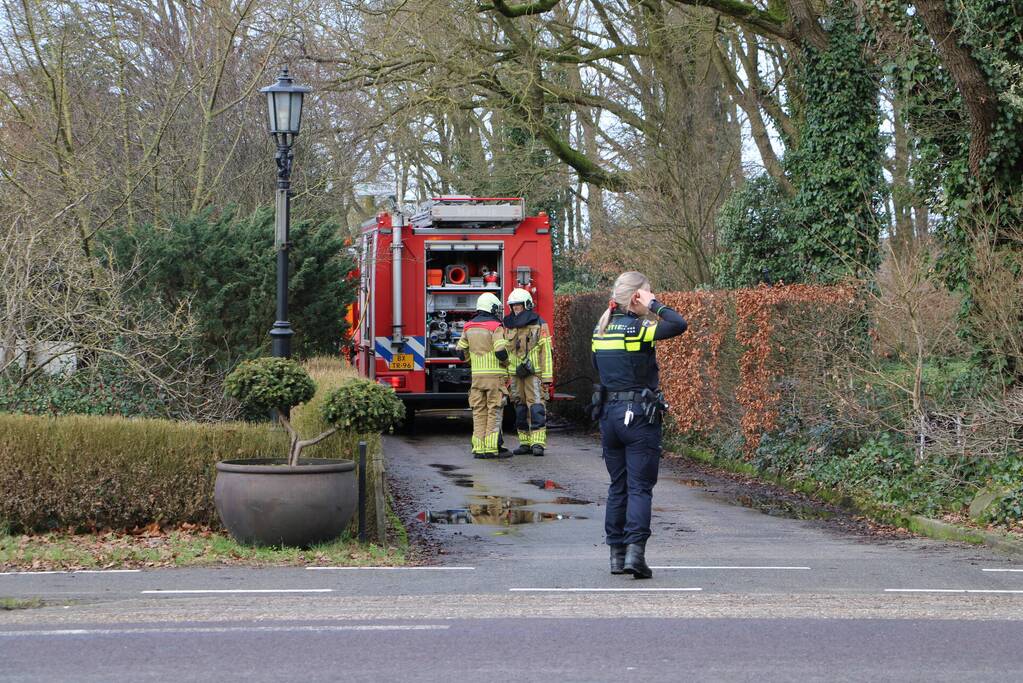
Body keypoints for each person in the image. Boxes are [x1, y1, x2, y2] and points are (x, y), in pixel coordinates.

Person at [591, 272, 687, 579]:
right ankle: (636, 554)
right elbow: (678, 324)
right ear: (636, 297)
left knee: (617, 486)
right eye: (646, 293)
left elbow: (599, 370)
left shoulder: (600, 330)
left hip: (609, 416)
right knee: (640, 488)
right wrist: (656, 305)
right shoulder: (638, 328)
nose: (649, 297)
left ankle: (616, 557)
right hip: (639, 417)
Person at [456, 292, 511, 459]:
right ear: (492, 308)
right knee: (494, 411)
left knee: (479, 411)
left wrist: (471, 360)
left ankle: (478, 449)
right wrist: (508, 364)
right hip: (495, 377)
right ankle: (491, 448)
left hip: (477, 377)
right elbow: (501, 351)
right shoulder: (496, 326)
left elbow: (459, 351)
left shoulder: (468, 326)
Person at [502, 288, 554, 456]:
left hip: (534, 374)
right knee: (520, 408)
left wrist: (547, 377)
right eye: (513, 306)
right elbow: (505, 350)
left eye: (519, 305)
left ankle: (538, 443)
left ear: (527, 305)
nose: (516, 309)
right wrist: (506, 373)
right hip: (515, 374)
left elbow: (546, 350)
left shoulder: (539, 323)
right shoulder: (507, 325)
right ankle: (524, 443)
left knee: (536, 407)